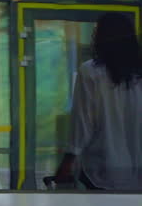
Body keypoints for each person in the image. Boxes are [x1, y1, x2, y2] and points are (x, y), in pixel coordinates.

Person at [54, 12, 142, 190]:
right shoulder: (138, 74)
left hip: (102, 173)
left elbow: (83, 123)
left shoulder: (91, 73)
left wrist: (67, 163)